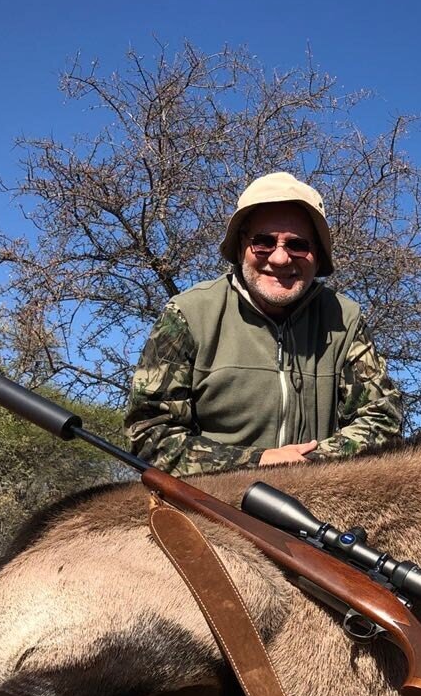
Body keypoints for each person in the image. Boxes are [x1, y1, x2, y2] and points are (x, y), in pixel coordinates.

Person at [125, 172, 402, 475]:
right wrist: (258, 462)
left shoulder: (345, 319)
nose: (281, 258)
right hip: (208, 505)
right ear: (241, 244)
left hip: (317, 500)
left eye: (298, 245)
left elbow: (382, 418)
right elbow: (150, 434)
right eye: (264, 242)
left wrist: (308, 464)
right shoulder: (187, 314)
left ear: (317, 255)